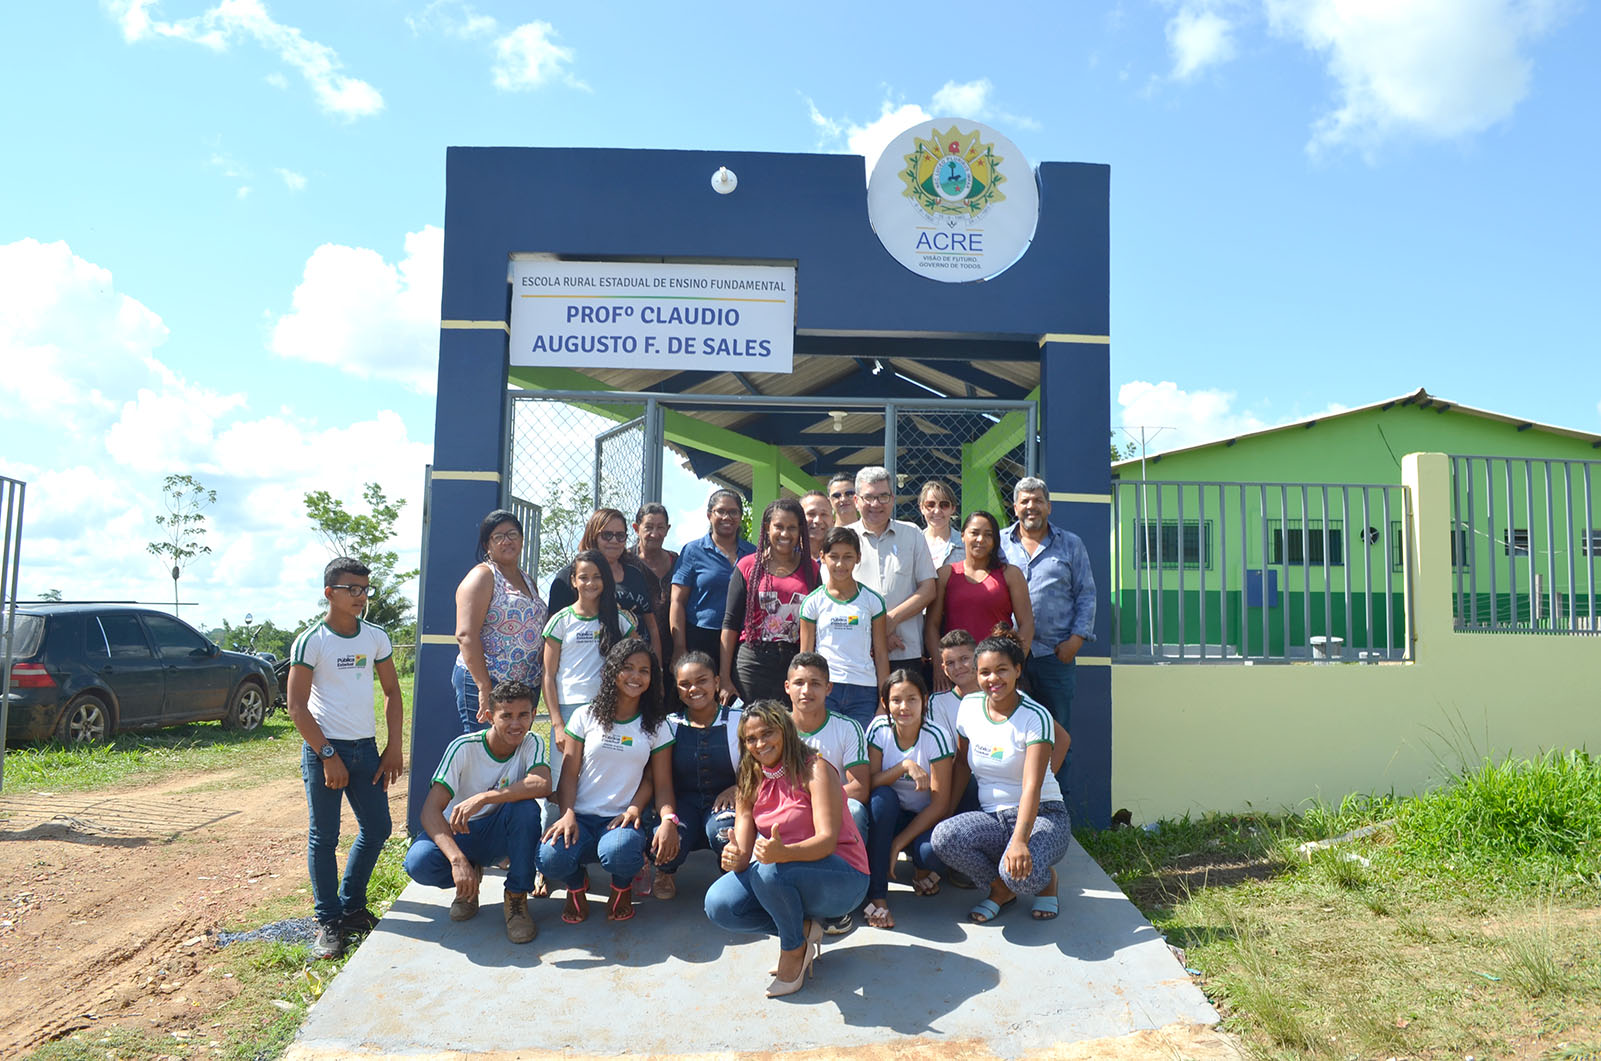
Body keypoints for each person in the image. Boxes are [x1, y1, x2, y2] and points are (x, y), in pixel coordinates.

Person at [703, 699, 871, 998]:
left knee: (768, 870)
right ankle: (801, 931)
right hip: (782, 871)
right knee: (720, 904)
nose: (759, 744)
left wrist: (784, 854)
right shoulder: (749, 776)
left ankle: (792, 950)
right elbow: (743, 852)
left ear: (785, 730)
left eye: (767, 733)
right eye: (750, 739)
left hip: (843, 876)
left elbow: (827, 840)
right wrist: (734, 856)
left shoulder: (815, 769)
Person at [286, 557, 405, 960]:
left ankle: (352, 907)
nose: (361, 597)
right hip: (325, 750)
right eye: (352, 589)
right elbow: (297, 706)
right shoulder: (311, 641)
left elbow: (392, 692)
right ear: (329, 593)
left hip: (366, 749)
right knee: (325, 837)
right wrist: (327, 754)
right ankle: (329, 921)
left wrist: (393, 747)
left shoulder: (375, 637)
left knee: (377, 828)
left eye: (365, 589)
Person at [931, 629, 1067, 923]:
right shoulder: (968, 707)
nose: (993, 679)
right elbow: (961, 765)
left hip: (1044, 815)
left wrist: (1020, 840)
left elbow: (1032, 786)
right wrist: (947, 811)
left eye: (1002, 670)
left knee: (1020, 876)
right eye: (985, 672)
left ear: (1018, 670)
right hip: (994, 817)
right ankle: (999, 890)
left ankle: (1047, 882)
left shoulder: (1035, 716)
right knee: (944, 838)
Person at [539, 638, 679, 923]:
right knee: (549, 858)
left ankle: (621, 886)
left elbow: (659, 782)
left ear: (652, 678)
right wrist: (567, 814)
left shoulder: (657, 726)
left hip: (621, 820)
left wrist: (661, 817)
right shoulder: (585, 716)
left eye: (644, 670)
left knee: (621, 852)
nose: (635, 677)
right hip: (579, 816)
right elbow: (568, 774)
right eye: (627, 668)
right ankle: (576, 885)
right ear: (612, 671)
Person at [403, 679, 551, 943]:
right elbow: (429, 812)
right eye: (506, 716)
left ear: (532, 714)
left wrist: (484, 797)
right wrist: (457, 861)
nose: (516, 724)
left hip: (498, 832)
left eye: (523, 715)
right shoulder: (463, 747)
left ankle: (516, 899)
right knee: (419, 863)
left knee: (526, 810)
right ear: (490, 716)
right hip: (462, 832)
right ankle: (469, 882)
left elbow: (541, 783)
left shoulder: (532, 742)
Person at [999, 477, 1097, 791]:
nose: (1031, 506)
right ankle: (1012, 809)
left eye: (1037, 500)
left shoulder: (1071, 544)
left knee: (1057, 738)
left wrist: (1076, 640)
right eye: (1024, 501)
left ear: (1048, 506)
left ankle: (1055, 814)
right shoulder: (999, 544)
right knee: (1009, 737)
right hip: (1007, 660)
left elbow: (1086, 595)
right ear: (1015, 507)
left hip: (1054, 657)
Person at [784, 652, 870, 933]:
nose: (806, 691)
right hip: (787, 811)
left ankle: (838, 903)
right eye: (798, 683)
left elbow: (859, 786)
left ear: (828, 688)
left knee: (855, 810)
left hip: (832, 811)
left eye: (815, 683)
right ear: (787, 687)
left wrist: (818, 804)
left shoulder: (848, 728)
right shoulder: (773, 729)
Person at [862, 669, 952, 929]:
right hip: (886, 817)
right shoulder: (879, 729)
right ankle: (877, 896)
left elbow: (940, 803)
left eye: (912, 699)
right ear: (885, 703)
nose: (904, 707)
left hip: (922, 818)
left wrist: (897, 844)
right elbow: (868, 783)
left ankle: (920, 868)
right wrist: (904, 766)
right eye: (896, 700)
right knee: (881, 798)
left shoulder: (936, 736)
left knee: (930, 853)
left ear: (924, 699)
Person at [652, 652, 741, 900]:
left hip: (726, 801)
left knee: (725, 833)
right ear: (678, 690)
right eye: (685, 684)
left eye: (702, 680)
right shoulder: (668, 726)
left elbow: (760, 767)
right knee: (667, 836)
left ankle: (731, 875)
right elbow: (661, 781)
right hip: (683, 803)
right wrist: (668, 817)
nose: (694, 689)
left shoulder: (739, 721)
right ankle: (665, 871)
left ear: (716, 681)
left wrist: (739, 788)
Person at [453, 510, 547, 733]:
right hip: (491, 683)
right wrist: (484, 687)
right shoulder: (483, 576)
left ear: (522, 540)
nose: (507, 541)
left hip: (524, 689)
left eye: (513, 534)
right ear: (487, 545)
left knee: (513, 754)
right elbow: (465, 635)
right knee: (484, 752)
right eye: (498, 536)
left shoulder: (527, 579)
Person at [720, 498, 817, 707]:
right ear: (767, 528)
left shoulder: (812, 569)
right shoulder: (747, 566)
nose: (785, 534)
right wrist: (725, 678)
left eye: (792, 528)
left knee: (788, 730)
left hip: (794, 662)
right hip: (753, 662)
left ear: (800, 530)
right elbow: (730, 623)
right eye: (779, 527)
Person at [924, 511, 1034, 689]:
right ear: (962, 535)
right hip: (957, 673)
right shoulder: (946, 574)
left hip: (996, 673)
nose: (980, 539)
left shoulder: (1010, 574)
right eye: (974, 533)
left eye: (988, 534)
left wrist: (1013, 664)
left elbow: (1027, 623)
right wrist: (939, 666)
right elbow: (932, 626)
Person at [848, 466, 937, 673]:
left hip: (905, 650)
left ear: (893, 499)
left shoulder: (913, 534)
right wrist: (877, 632)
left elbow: (928, 589)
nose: (876, 504)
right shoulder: (843, 537)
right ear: (856, 501)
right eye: (868, 497)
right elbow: (837, 596)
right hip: (857, 652)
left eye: (883, 497)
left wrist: (891, 620)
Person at [799, 526, 889, 729]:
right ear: (822, 557)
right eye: (834, 556)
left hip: (864, 691)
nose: (840, 564)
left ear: (858, 557)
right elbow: (805, 655)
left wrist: (883, 701)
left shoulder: (873, 601)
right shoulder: (813, 602)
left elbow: (882, 654)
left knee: (861, 752)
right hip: (825, 689)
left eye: (848, 557)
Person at [549, 508, 662, 658]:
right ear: (593, 536)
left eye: (620, 536)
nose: (614, 541)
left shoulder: (635, 574)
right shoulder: (568, 577)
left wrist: (656, 668)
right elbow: (553, 635)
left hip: (634, 664)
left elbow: (652, 627)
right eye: (607, 535)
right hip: (588, 665)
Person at [670, 489, 754, 676]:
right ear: (709, 515)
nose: (727, 517)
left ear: (740, 516)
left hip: (741, 639)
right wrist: (679, 647)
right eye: (721, 511)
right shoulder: (692, 551)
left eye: (733, 512)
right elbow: (677, 601)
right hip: (700, 637)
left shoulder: (753, 553)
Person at [633, 502, 678, 655]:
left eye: (660, 527)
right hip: (635, 649)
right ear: (636, 528)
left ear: (667, 529)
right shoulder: (625, 562)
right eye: (648, 527)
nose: (654, 534)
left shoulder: (677, 562)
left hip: (672, 649)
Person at [918, 479, 963, 571]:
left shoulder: (965, 545)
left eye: (944, 505)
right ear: (922, 508)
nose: (937, 511)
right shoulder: (913, 545)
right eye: (930, 505)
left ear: (953, 508)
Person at [800, 489, 834, 562]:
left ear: (832, 520)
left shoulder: (843, 558)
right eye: (811, 514)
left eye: (823, 514)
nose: (818, 520)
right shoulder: (786, 557)